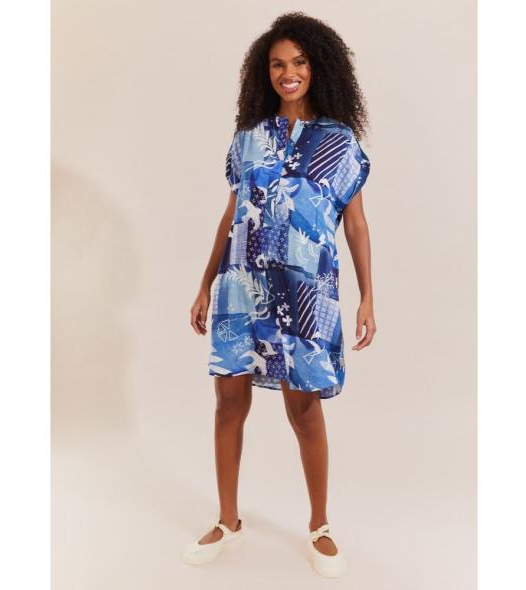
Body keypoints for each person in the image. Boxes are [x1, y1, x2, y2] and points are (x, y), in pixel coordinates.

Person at [184, 12, 376, 578]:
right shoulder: (249, 138)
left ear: (318, 68)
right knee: (228, 401)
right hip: (241, 286)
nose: (287, 73)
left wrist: (368, 296)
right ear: (262, 72)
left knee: (304, 408)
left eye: (298, 62)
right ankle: (228, 520)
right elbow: (230, 216)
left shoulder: (339, 142)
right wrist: (204, 284)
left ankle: (319, 525)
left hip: (306, 289)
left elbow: (356, 224)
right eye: (276, 64)